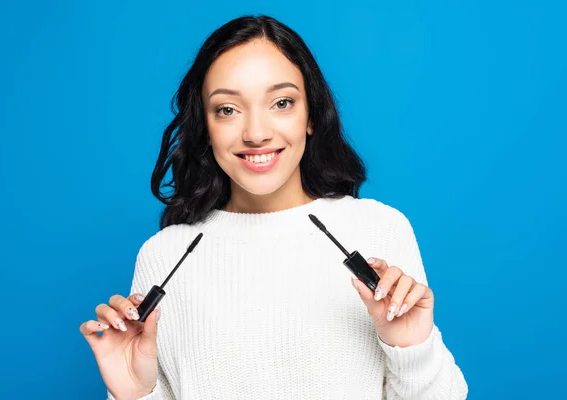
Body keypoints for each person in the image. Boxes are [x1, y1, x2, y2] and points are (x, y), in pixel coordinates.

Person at [80, 15, 468, 400]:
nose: (256, 133)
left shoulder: (379, 230)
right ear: (205, 126)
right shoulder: (163, 256)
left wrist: (412, 349)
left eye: (281, 103)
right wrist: (134, 394)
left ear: (311, 115)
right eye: (227, 109)